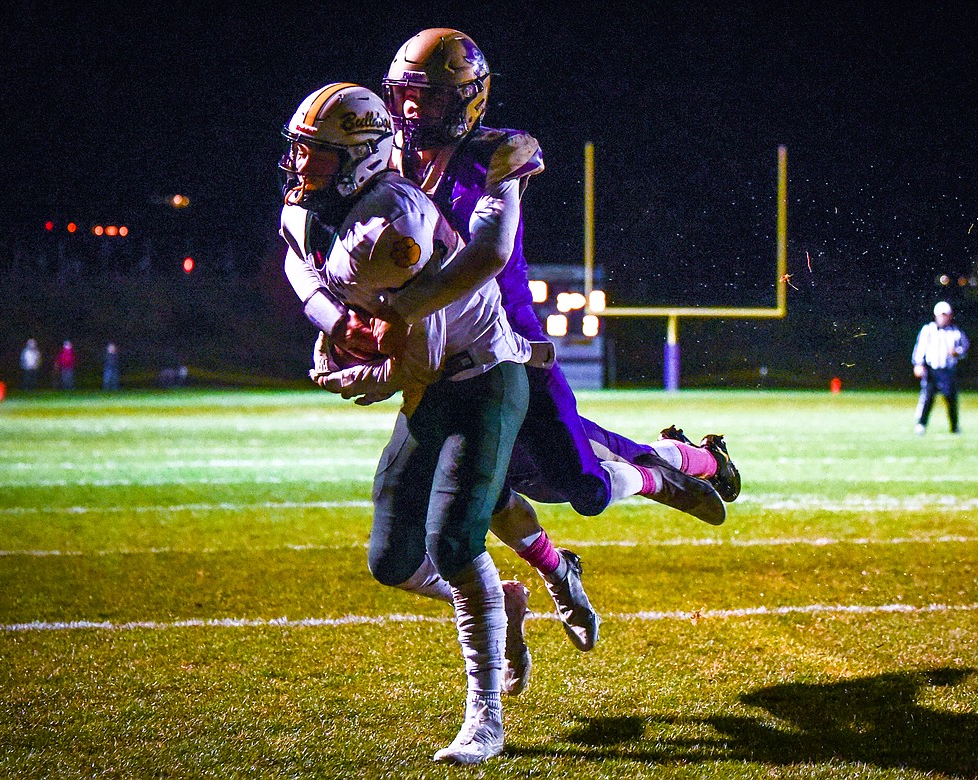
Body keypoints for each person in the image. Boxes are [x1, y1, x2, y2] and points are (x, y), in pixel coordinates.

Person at [376, 28, 740, 521]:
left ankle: (680, 464)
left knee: (583, 484)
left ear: (467, 100)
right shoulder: (386, 166)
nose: (413, 111)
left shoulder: (493, 154)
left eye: (429, 99)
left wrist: (399, 310)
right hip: (444, 347)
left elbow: (491, 249)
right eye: (406, 96)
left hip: (509, 339)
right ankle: (668, 463)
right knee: (512, 474)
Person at [277, 82, 536, 765]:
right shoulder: (329, 207)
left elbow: (410, 367)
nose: (303, 171)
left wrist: (347, 373)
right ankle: (500, 601)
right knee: (391, 560)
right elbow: (295, 265)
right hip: (434, 380)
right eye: (301, 154)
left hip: (480, 378)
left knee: (453, 543)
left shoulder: (394, 235)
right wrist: (337, 325)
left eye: (320, 158)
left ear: (361, 159)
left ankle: (487, 718)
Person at [911, 301, 969, 435]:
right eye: (941, 315)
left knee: (950, 398)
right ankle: (921, 424)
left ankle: (954, 426)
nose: (943, 318)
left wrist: (957, 352)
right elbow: (920, 348)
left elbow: (964, 347)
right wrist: (918, 364)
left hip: (947, 370)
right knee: (927, 397)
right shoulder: (928, 330)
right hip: (932, 369)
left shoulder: (955, 332)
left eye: (945, 315)